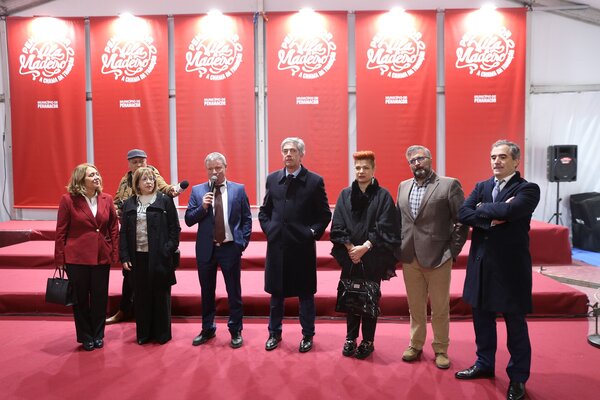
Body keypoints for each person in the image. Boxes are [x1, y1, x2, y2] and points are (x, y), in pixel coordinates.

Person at [455, 140, 540, 400]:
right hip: (481, 265)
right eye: (493, 157)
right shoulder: (482, 186)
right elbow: (463, 213)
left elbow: (512, 210)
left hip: (510, 269)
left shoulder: (528, 189)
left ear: (516, 161)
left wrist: (482, 209)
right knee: (482, 321)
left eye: (502, 157)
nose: (496, 161)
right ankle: (484, 363)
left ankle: (518, 378)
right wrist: (491, 218)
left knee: (515, 326)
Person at [396, 145, 468, 369]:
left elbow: (461, 221)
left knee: (440, 307)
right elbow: (400, 219)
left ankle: (441, 348)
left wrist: (452, 251)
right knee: (415, 306)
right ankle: (415, 344)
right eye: (412, 161)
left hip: (438, 257)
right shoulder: (403, 186)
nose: (417, 163)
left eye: (421, 158)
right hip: (410, 257)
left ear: (430, 159)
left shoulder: (449, 184)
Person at [259, 137, 332, 353]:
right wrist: (270, 229)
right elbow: (264, 211)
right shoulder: (273, 179)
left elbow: (324, 214)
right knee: (276, 294)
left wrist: (311, 233)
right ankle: (274, 333)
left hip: (302, 248)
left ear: (301, 154)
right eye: (285, 150)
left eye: (292, 150)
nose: (288, 154)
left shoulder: (314, 181)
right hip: (277, 247)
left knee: (305, 294)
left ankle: (308, 334)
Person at [330, 151, 400, 359]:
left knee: (370, 298)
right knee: (351, 297)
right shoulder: (344, 195)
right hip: (350, 255)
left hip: (373, 256)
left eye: (366, 168)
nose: (361, 171)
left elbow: (387, 226)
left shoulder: (383, 196)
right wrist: (351, 248)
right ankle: (350, 338)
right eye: (358, 168)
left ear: (373, 169)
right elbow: (338, 224)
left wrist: (365, 247)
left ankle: (368, 340)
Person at [185, 152, 252, 349]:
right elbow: (189, 220)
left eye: (218, 168)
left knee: (233, 292)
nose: (214, 172)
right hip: (206, 249)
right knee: (207, 292)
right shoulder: (198, 191)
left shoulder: (238, 189)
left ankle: (235, 329)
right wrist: (202, 207)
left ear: (225, 167)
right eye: (210, 169)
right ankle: (207, 328)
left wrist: (241, 244)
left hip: (230, 248)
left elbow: (247, 219)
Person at [107, 148, 178, 325]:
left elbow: (165, 187)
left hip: (155, 236)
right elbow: (117, 200)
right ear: (129, 164)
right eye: (135, 162)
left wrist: (172, 190)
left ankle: (155, 318)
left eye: (142, 161)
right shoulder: (125, 180)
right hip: (132, 235)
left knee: (156, 278)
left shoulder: (152, 173)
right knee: (129, 276)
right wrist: (116, 210)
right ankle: (125, 309)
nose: (139, 164)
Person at [54, 163, 119, 351]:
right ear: (80, 179)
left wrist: (115, 251)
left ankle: (98, 334)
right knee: (81, 299)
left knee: (100, 297)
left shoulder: (107, 199)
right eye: (91, 175)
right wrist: (60, 259)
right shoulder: (68, 200)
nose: (96, 177)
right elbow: (61, 231)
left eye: (97, 174)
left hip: (101, 256)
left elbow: (113, 228)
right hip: (77, 258)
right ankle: (85, 336)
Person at [119, 167, 181, 345]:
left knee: (161, 295)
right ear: (137, 183)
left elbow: (174, 228)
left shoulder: (164, 200)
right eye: (145, 179)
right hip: (137, 257)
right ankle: (144, 334)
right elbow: (123, 233)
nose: (149, 182)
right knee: (141, 297)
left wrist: (167, 249)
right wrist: (124, 256)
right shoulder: (129, 203)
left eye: (152, 179)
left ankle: (162, 334)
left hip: (160, 256)